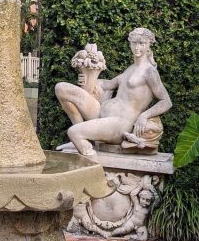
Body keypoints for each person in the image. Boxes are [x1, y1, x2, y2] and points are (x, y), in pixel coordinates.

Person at [55, 28, 172, 159]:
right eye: (134, 43)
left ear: (149, 44)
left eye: (141, 43)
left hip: (119, 125)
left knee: (74, 132)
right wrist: (88, 80)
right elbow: (107, 84)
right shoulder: (131, 69)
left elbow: (166, 101)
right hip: (101, 113)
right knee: (61, 88)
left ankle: (89, 155)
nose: (137, 47)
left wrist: (144, 116)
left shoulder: (150, 72)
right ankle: (81, 136)